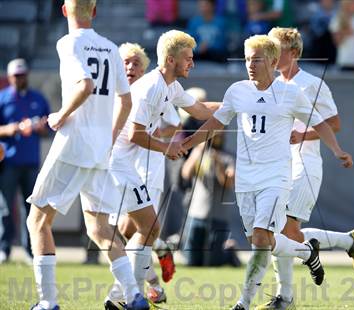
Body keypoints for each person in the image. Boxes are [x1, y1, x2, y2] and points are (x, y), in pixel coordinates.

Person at [182, 34, 353, 310]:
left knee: (262, 239)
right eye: (248, 59)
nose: (251, 64)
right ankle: (307, 252)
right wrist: (189, 143)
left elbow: (321, 123)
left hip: (276, 177)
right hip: (246, 179)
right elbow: (216, 122)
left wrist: (337, 150)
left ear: (273, 62)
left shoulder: (291, 93)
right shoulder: (237, 91)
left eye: (257, 59)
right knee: (262, 242)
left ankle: (244, 302)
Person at [25, 1, 148, 309]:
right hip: (99, 150)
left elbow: (86, 85)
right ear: (94, 12)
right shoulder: (110, 47)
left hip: (73, 144)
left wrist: (60, 115)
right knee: (99, 227)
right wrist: (109, 137)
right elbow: (126, 101)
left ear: (64, 11)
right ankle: (134, 296)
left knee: (38, 220)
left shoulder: (68, 42)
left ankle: (47, 302)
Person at [104, 29, 220, 309]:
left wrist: (239, 104)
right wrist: (167, 147)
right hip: (118, 166)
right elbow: (135, 135)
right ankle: (127, 295)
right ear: (170, 60)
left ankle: (122, 296)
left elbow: (202, 111)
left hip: (129, 168)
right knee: (139, 231)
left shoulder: (170, 86)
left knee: (143, 230)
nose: (192, 62)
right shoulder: (151, 88)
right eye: (187, 58)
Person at [254, 27, 354, 310]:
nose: (271, 55)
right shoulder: (273, 85)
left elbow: (335, 123)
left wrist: (303, 134)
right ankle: (347, 241)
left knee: (285, 231)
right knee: (283, 232)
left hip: (304, 164)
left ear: (293, 53)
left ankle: (286, 298)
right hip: (280, 166)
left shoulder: (312, 84)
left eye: (276, 49)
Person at [106, 41, 181, 306]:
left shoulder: (151, 89)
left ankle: (126, 294)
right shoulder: (114, 95)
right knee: (129, 232)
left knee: (134, 229)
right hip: (122, 170)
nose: (130, 67)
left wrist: (155, 138)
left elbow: (175, 122)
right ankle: (152, 282)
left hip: (149, 170)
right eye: (125, 62)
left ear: (144, 68)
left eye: (135, 63)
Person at [0, 58, 50, 264]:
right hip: (8, 162)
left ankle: (31, 250)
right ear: (10, 76)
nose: (20, 79)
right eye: (16, 75)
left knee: (31, 209)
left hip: (31, 161)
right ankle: (4, 249)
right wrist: (11, 129)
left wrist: (41, 127)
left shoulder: (38, 98)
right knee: (4, 207)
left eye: (22, 75)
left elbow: (50, 125)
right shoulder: (2, 99)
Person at [181, 134, 240, 267]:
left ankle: (229, 252)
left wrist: (218, 163)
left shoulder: (229, 157)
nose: (216, 138)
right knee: (192, 261)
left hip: (218, 216)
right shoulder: (199, 154)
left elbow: (228, 184)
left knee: (213, 262)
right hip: (196, 213)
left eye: (219, 135)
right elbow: (185, 173)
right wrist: (197, 152)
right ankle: (225, 249)